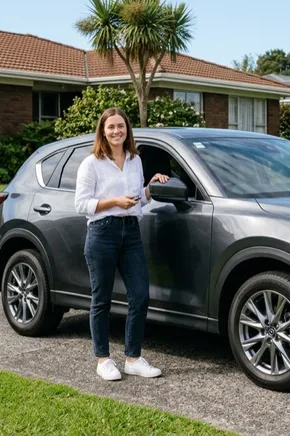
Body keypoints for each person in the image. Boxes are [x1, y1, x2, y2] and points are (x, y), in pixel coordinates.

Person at [74, 107, 169, 381]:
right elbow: (81, 204)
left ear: (127, 130)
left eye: (121, 126)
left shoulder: (134, 160)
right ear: (103, 130)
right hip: (102, 233)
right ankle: (103, 360)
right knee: (101, 299)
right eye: (111, 127)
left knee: (140, 295)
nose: (117, 131)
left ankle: (133, 358)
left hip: (131, 232)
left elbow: (137, 197)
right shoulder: (91, 163)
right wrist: (115, 201)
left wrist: (151, 187)